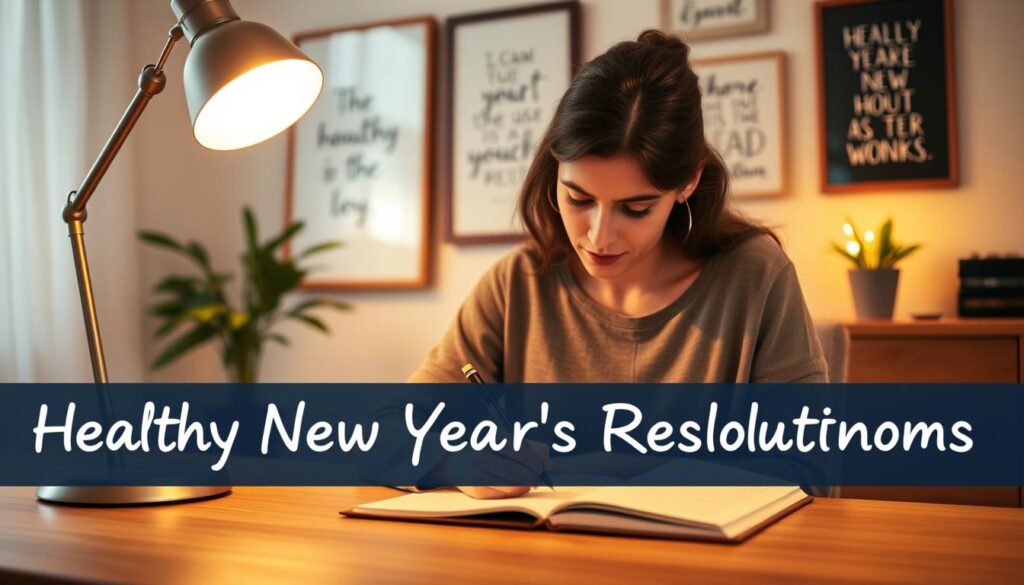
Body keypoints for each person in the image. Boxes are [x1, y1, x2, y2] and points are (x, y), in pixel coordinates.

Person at [408, 30, 828, 499]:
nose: (599, 236)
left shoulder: (756, 277)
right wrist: (458, 464)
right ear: (555, 171)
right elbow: (385, 437)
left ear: (688, 183)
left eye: (636, 208)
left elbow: (810, 474)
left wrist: (612, 467)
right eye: (578, 198)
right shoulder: (518, 283)